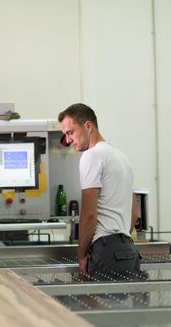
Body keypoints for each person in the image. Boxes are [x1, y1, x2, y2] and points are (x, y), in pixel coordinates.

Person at [58, 103, 142, 281]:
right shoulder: (121, 157)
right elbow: (133, 214)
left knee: (96, 306)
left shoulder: (91, 156)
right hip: (129, 251)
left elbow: (89, 215)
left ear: (88, 126)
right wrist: (119, 243)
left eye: (70, 132)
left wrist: (81, 256)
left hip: (105, 251)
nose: (68, 140)